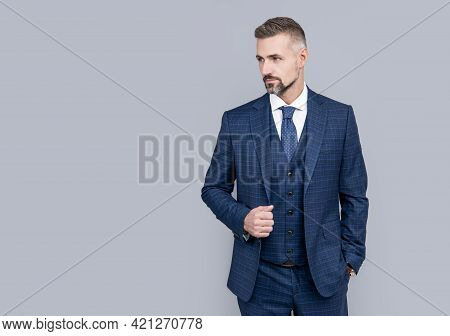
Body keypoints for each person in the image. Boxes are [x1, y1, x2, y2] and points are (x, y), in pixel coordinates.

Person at [201, 16, 369, 316]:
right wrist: (243, 219)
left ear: (301, 57)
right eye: (260, 59)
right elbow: (213, 188)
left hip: (325, 277)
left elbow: (355, 196)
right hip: (259, 278)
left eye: (276, 58)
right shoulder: (237, 120)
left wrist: (350, 261)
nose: (266, 69)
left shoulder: (340, 118)